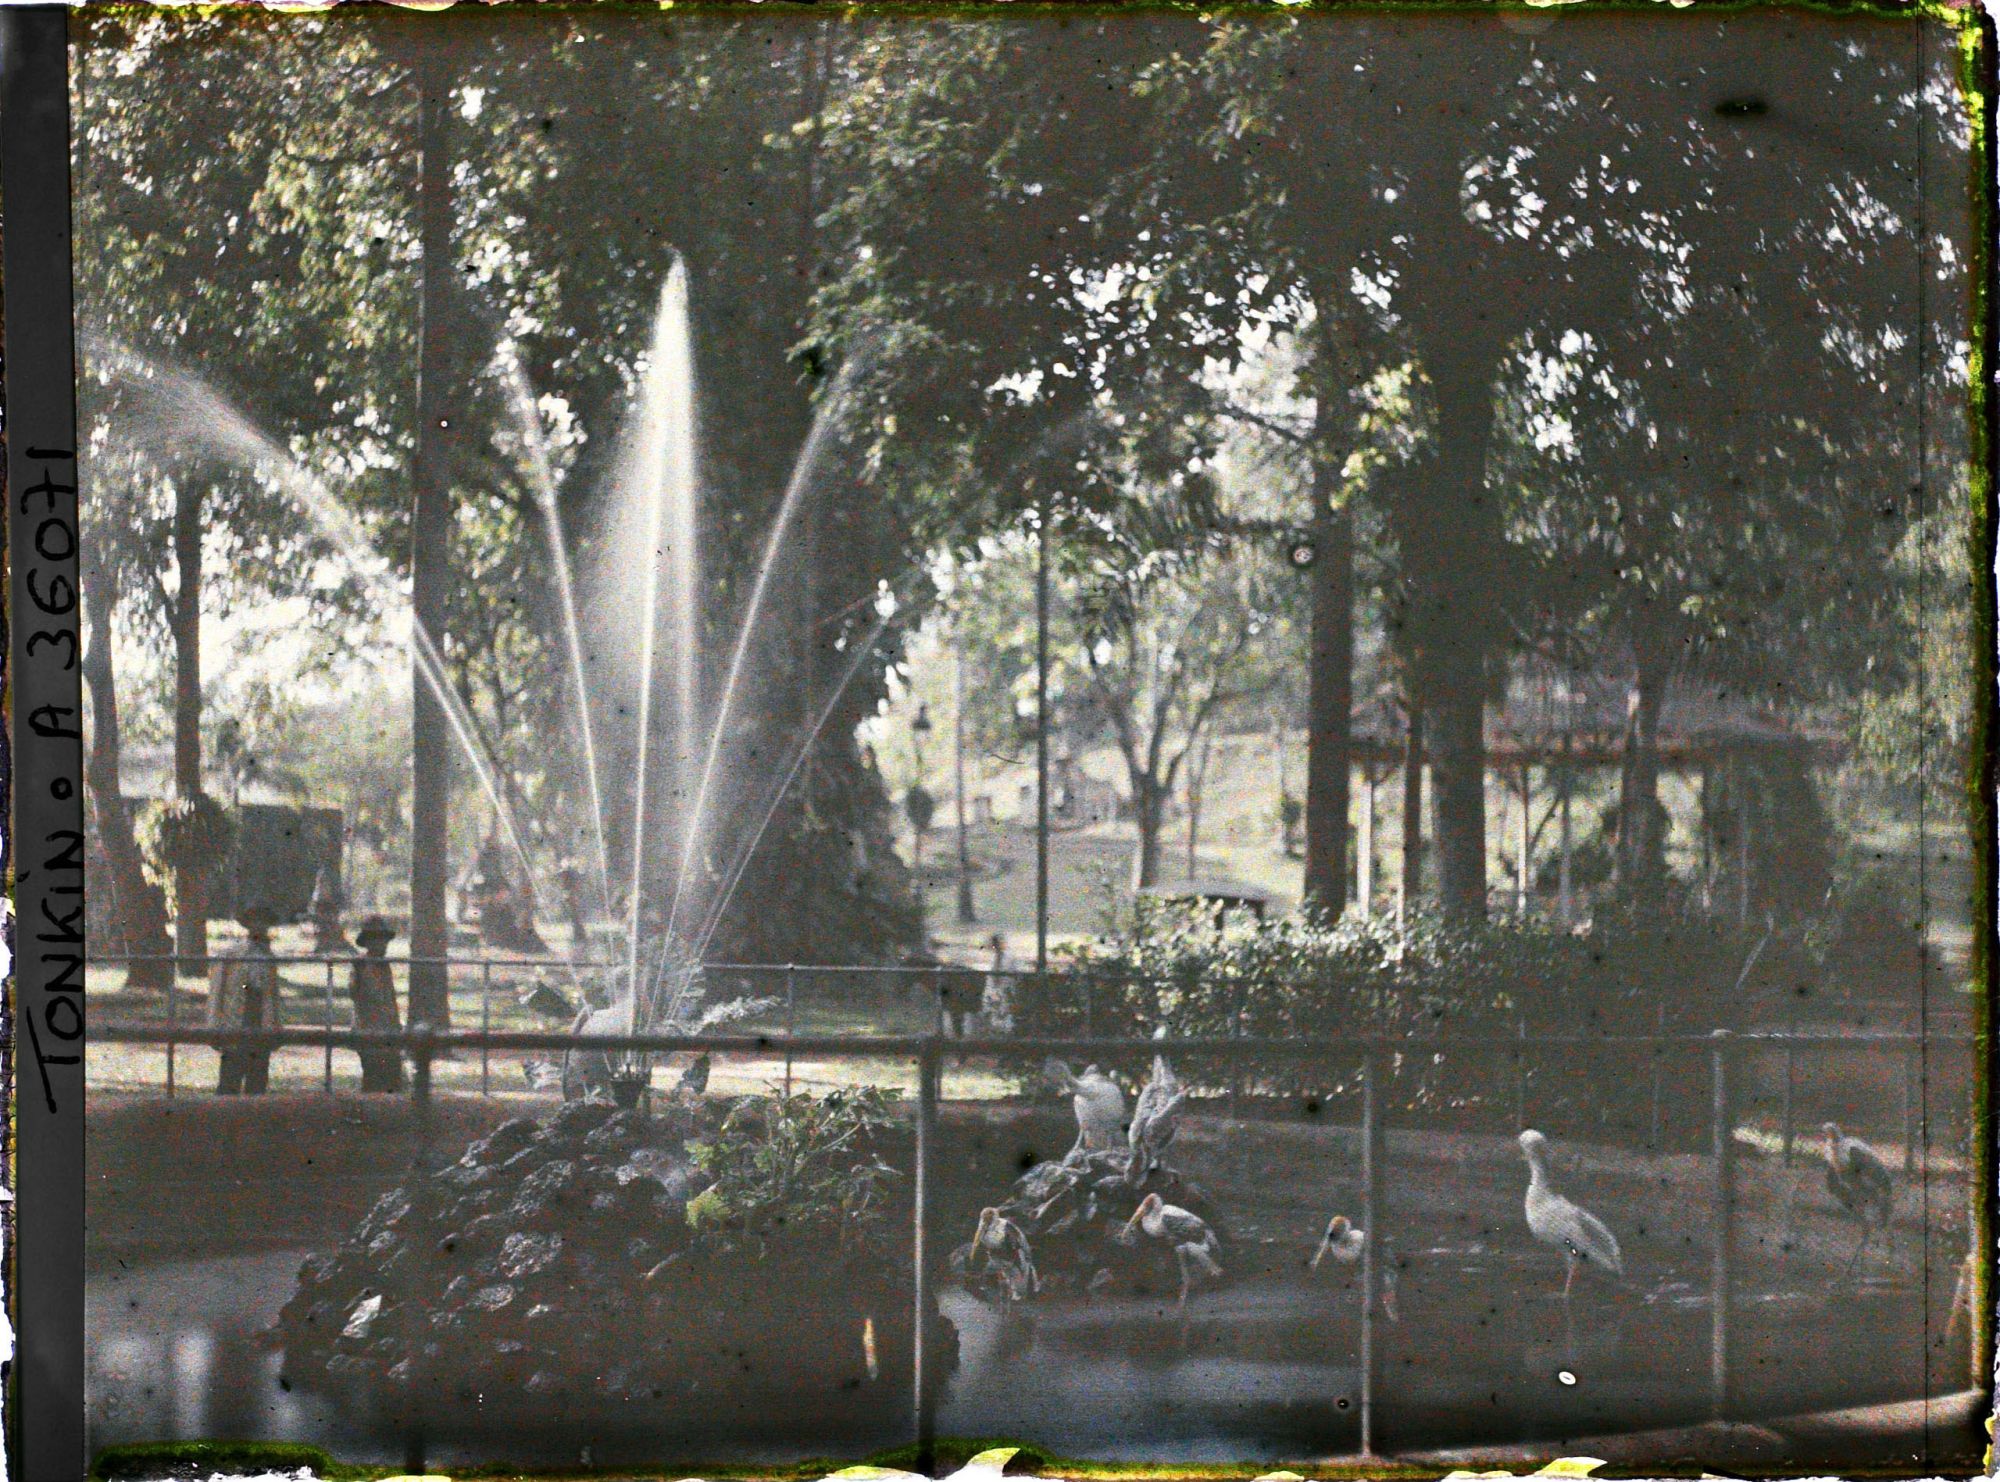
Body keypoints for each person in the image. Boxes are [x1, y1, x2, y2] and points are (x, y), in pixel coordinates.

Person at [211, 907, 281, 1095]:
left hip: (260, 1020)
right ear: (248, 925)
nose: (259, 926)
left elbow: (273, 995)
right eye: (255, 921)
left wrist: (275, 1026)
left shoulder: (269, 958)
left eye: (263, 922)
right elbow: (217, 991)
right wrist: (214, 1026)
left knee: (257, 1080)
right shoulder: (231, 955)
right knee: (230, 1078)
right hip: (236, 1019)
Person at [349, 915, 405, 1094]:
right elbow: (357, 995)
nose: (382, 945)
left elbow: (389, 998)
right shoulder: (361, 965)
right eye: (377, 940)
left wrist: (395, 1024)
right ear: (369, 942)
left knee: (392, 1079)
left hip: (388, 1029)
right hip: (369, 1029)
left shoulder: (384, 965)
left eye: (383, 940)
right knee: (374, 1078)